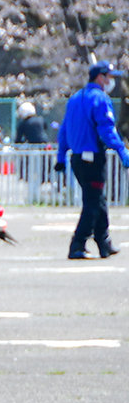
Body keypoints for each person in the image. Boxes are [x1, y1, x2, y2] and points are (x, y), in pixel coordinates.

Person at [56, 61, 127, 259]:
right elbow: (106, 129)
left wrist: (61, 157)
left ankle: (104, 242)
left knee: (98, 200)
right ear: (100, 77)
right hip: (93, 158)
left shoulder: (75, 99)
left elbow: (63, 131)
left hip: (77, 159)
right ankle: (77, 244)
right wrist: (122, 151)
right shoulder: (100, 99)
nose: (111, 81)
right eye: (109, 77)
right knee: (93, 203)